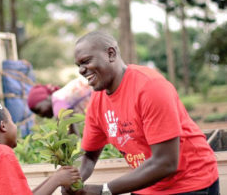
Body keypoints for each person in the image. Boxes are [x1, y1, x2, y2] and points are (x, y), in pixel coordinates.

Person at [70, 31, 219, 195]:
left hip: (189, 182)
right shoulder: (97, 100)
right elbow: (89, 157)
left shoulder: (149, 87)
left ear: (110, 53)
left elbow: (166, 162)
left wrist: (103, 191)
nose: (81, 71)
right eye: (78, 66)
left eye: (86, 61)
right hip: (147, 186)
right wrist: (75, 181)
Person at [0, 98, 80, 195]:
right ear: (3, 126)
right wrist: (57, 180)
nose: (15, 126)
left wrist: (56, 178)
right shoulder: (1, 154)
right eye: (12, 121)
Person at [27, 77, 92, 118]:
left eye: (39, 110)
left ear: (45, 98)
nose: (41, 115)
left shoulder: (57, 102)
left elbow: (70, 135)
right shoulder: (62, 93)